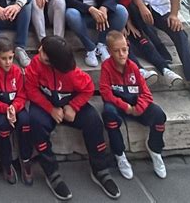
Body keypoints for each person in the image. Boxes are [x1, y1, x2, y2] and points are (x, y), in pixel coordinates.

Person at [26, 36, 120, 200]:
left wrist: (74, 106)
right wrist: (50, 109)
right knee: (35, 122)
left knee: (93, 120)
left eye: (44, 51)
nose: (39, 50)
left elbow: (89, 88)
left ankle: (100, 169)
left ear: (53, 61)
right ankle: (51, 172)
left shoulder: (73, 74)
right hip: (46, 105)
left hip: (70, 104)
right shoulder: (36, 64)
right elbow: (31, 89)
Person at [100, 30, 167, 180]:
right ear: (109, 51)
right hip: (117, 105)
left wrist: (139, 107)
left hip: (135, 104)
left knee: (159, 114)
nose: (121, 54)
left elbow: (146, 93)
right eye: (116, 51)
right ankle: (120, 154)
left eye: (124, 50)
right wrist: (125, 107)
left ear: (128, 48)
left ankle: (155, 149)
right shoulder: (106, 67)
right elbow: (106, 93)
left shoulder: (134, 68)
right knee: (108, 114)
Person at [0, 37, 33, 185]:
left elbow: (22, 95)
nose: (8, 62)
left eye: (11, 58)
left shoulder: (17, 72)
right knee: (3, 127)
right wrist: (6, 109)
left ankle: (25, 160)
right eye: (4, 58)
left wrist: (14, 107)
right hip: (0, 111)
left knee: (25, 122)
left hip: (16, 108)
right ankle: (6, 163)